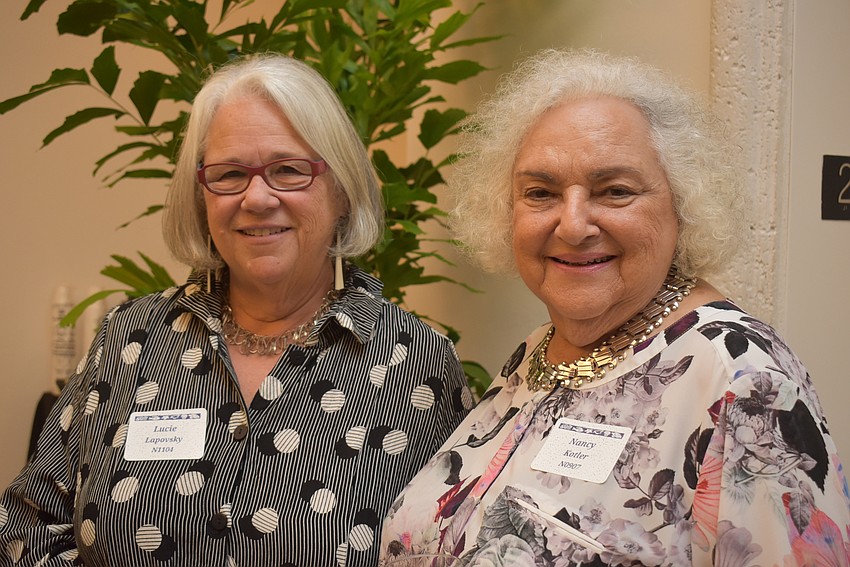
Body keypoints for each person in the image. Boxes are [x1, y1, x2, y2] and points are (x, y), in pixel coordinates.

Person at [380, 49, 850, 566]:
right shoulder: (538, 352)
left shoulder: (741, 376)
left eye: (615, 191)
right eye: (540, 192)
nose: (573, 225)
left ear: (683, 205)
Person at [0, 54, 472, 566]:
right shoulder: (128, 339)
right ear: (201, 196)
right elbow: (27, 526)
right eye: (229, 174)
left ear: (341, 191)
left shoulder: (419, 363)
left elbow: (447, 548)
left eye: (288, 170)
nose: (257, 198)